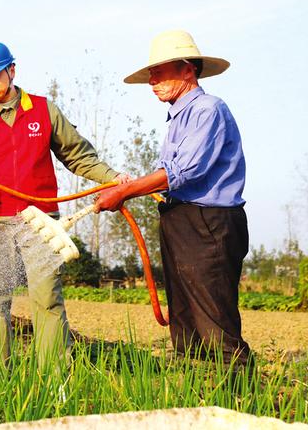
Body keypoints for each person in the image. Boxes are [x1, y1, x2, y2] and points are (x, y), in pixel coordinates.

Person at [0, 40, 129, 370]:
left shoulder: (44, 111)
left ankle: (54, 377)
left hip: (41, 223)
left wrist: (112, 177)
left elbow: (77, 156)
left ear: (12, 71)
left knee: (47, 298)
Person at [94, 30, 250, 367]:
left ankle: (238, 387)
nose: (152, 81)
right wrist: (130, 187)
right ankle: (192, 385)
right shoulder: (178, 118)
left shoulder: (207, 109)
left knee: (213, 316)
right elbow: (171, 173)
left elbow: (185, 171)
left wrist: (125, 191)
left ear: (187, 70)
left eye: (159, 72)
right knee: (184, 316)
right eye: (151, 74)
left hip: (209, 222)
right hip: (181, 219)